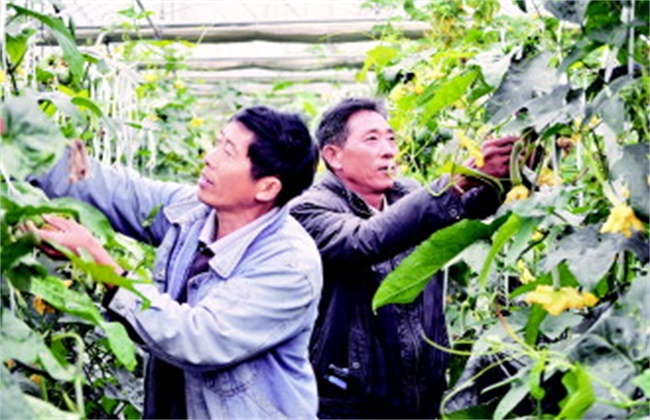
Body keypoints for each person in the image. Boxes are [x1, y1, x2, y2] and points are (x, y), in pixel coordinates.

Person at [28, 106, 323, 419]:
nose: (210, 157)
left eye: (227, 151)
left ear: (266, 188)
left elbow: (198, 339)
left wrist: (98, 260)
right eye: (218, 142)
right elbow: (117, 193)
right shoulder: (193, 211)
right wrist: (24, 143)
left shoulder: (290, 264)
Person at [289, 97, 516, 418]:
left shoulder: (407, 194)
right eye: (372, 139)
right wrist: (459, 178)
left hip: (420, 398)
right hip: (348, 403)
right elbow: (364, 241)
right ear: (333, 156)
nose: (388, 150)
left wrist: (511, 169)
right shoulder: (308, 209)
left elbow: (468, 209)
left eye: (391, 138)